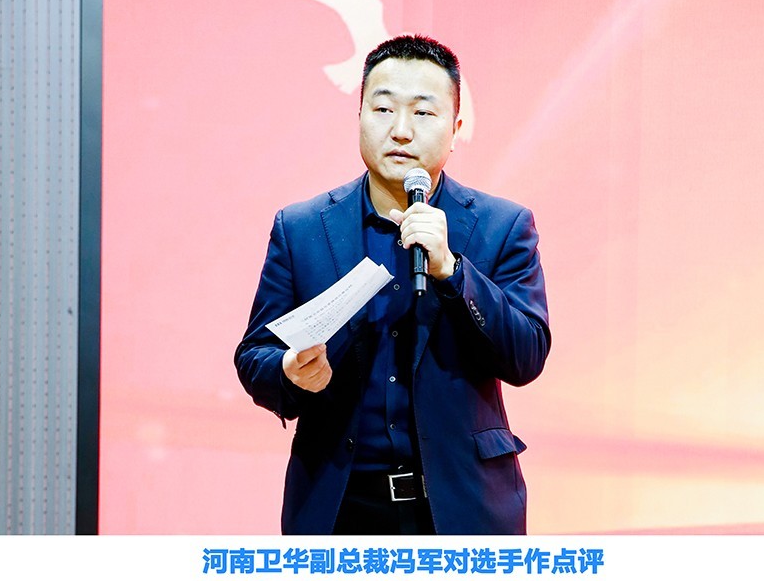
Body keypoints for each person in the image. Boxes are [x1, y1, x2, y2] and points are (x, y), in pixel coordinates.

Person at [235, 34, 550, 535]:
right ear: (359, 116)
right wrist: (290, 372)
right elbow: (255, 356)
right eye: (383, 109)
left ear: (455, 128)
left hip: (463, 508)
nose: (401, 131)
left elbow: (526, 355)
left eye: (423, 113)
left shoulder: (503, 226)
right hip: (337, 508)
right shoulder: (301, 228)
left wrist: (454, 271)